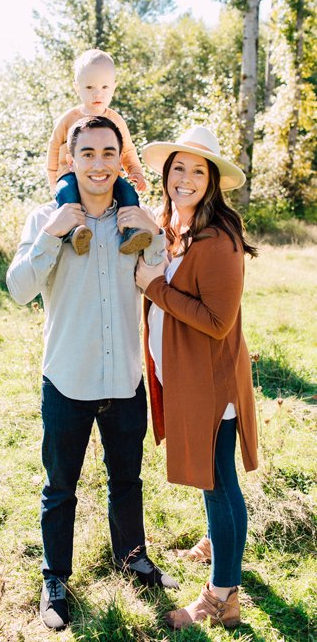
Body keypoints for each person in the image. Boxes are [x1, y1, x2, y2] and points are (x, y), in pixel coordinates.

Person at [7, 114, 178, 631]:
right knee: (60, 486)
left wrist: (154, 233)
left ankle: (132, 557)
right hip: (67, 378)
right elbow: (18, 289)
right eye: (88, 154)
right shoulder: (46, 217)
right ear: (72, 160)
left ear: (120, 159)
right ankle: (55, 579)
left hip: (125, 377)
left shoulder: (138, 216)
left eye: (109, 154)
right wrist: (53, 236)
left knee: (127, 478)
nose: (99, 165)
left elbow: (163, 280)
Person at [135, 126, 258, 630]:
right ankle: (218, 545)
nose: (185, 179)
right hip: (188, 377)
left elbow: (216, 321)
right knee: (213, 480)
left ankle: (221, 594)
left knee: (220, 482)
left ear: (211, 182)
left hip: (214, 383)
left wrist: (156, 287)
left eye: (197, 171)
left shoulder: (220, 239)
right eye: (178, 168)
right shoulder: (175, 227)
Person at [47, 49, 151, 255]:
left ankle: (131, 232)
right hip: (70, 174)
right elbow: (52, 148)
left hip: (109, 175)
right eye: (89, 87)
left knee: (128, 193)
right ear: (77, 88)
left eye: (104, 87)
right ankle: (75, 232)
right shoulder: (69, 119)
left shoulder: (116, 120)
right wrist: (53, 182)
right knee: (66, 193)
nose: (98, 93)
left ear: (114, 87)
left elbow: (128, 149)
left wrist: (135, 171)